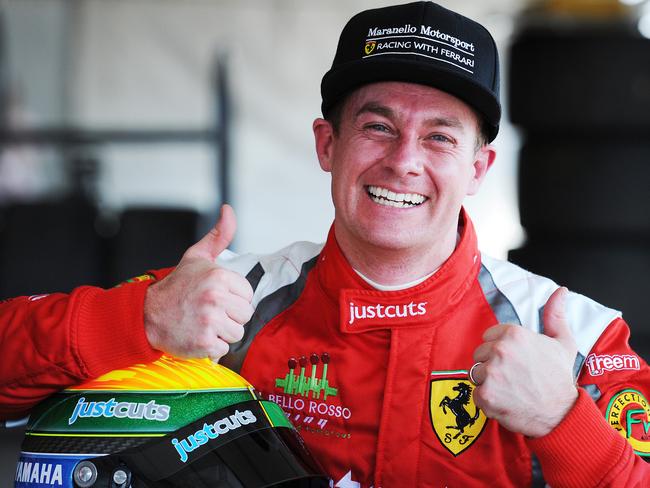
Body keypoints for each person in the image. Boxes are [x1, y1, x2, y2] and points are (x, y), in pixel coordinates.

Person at [1, 2, 649, 486]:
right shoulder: (229, 299)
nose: (402, 161)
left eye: (440, 138)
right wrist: (135, 321)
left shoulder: (571, 336)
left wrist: (565, 421)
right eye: (377, 126)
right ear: (326, 145)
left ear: (479, 167)